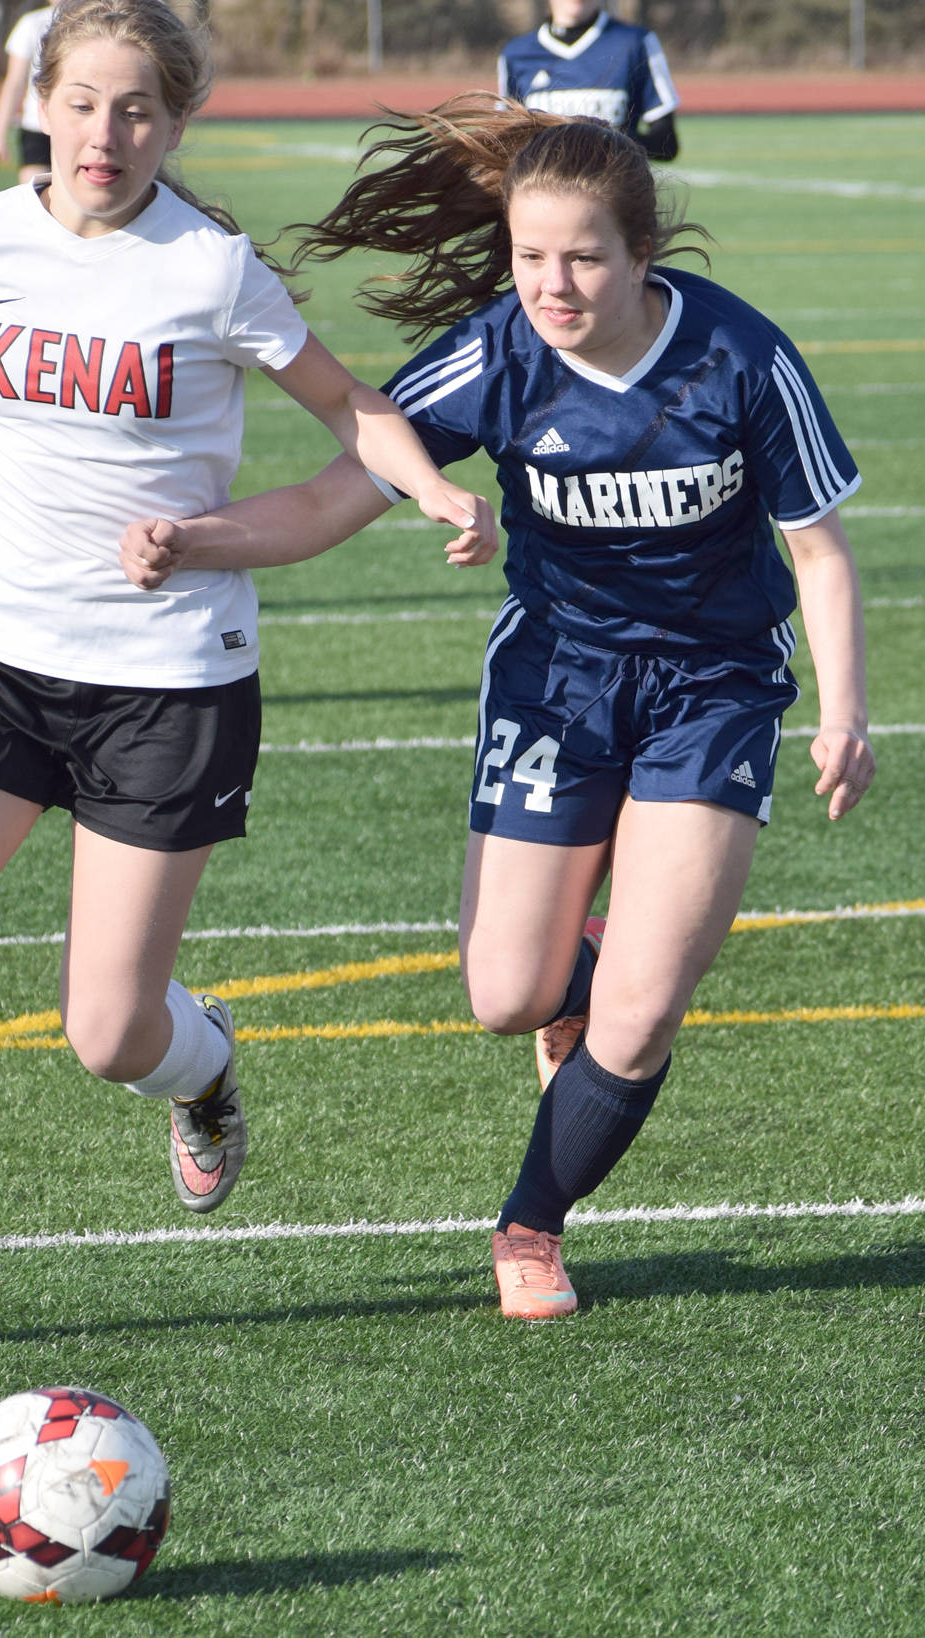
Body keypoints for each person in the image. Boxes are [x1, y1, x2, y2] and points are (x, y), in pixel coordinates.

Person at [0, 0, 496, 1366]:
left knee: (107, 1028)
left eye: (136, 109)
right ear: (38, 100)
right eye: (80, 101)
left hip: (167, 680)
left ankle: (201, 1076)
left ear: (173, 124)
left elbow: (348, 404)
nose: (103, 132)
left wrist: (434, 496)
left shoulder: (207, 267)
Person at [119, 97, 875, 1323]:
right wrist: (196, 541)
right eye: (530, 257)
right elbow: (331, 497)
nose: (553, 284)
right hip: (555, 681)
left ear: (642, 255)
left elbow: (821, 551)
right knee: (504, 996)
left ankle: (531, 1225)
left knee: (641, 1010)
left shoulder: (743, 358)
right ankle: (569, 978)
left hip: (715, 688)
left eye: (583, 258)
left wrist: (843, 712)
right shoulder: (497, 356)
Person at [497, 0, 680, 162]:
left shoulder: (635, 43)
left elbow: (667, 143)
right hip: (544, 198)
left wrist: (602, 142)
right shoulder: (516, 54)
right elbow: (504, 144)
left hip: (613, 196)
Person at [0, 0, 89, 181]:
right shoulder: (31, 25)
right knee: (34, 199)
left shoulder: (95, 27)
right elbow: (14, 82)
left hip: (78, 127)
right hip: (37, 126)